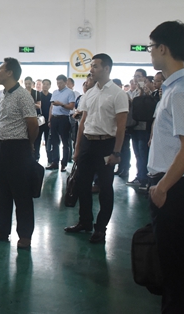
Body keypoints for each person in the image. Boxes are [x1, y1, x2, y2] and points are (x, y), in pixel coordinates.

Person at [146, 21, 184, 314]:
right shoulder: (175, 87)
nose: (150, 52)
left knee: (173, 262)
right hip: (171, 183)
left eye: (151, 46)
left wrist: (162, 188)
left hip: (172, 186)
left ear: (163, 49)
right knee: (171, 259)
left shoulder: (180, 91)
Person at [65, 54, 128, 243]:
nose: (91, 69)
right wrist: (77, 148)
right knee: (82, 185)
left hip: (106, 145)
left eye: (95, 66)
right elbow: (83, 122)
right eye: (91, 66)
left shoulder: (118, 94)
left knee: (105, 187)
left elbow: (121, 126)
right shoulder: (90, 93)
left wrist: (116, 152)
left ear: (106, 68)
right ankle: (85, 221)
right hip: (87, 143)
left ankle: (101, 228)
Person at [0, 57, 38, 249]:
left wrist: (29, 145)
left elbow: (33, 124)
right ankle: (2, 230)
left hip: (18, 149)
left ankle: (25, 236)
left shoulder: (23, 96)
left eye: (0, 70)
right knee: (2, 192)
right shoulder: (4, 95)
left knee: (22, 194)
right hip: (3, 148)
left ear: (10, 72)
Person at [47, 74, 76, 171]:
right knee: (54, 142)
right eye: (57, 83)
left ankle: (64, 163)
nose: (59, 85)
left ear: (65, 82)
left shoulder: (70, 92)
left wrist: (61, 104)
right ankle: (55, 162)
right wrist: (49, 119)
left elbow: (71, 107)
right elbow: (51, 107)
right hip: (54, 119)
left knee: (65, 142)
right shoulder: (55, 92)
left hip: (64, 119)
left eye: (61, 83)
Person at [36, 79, 52, 163]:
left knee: (48, 140)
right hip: (39, 121)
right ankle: (36, 158)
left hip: (48, 121)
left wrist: (50, 120)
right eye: (44, 84)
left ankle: (50, 159)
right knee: (37, 139)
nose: (45, 85)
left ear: (50, 86)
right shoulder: (38, 95)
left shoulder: (51, 96)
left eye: (47, 84)